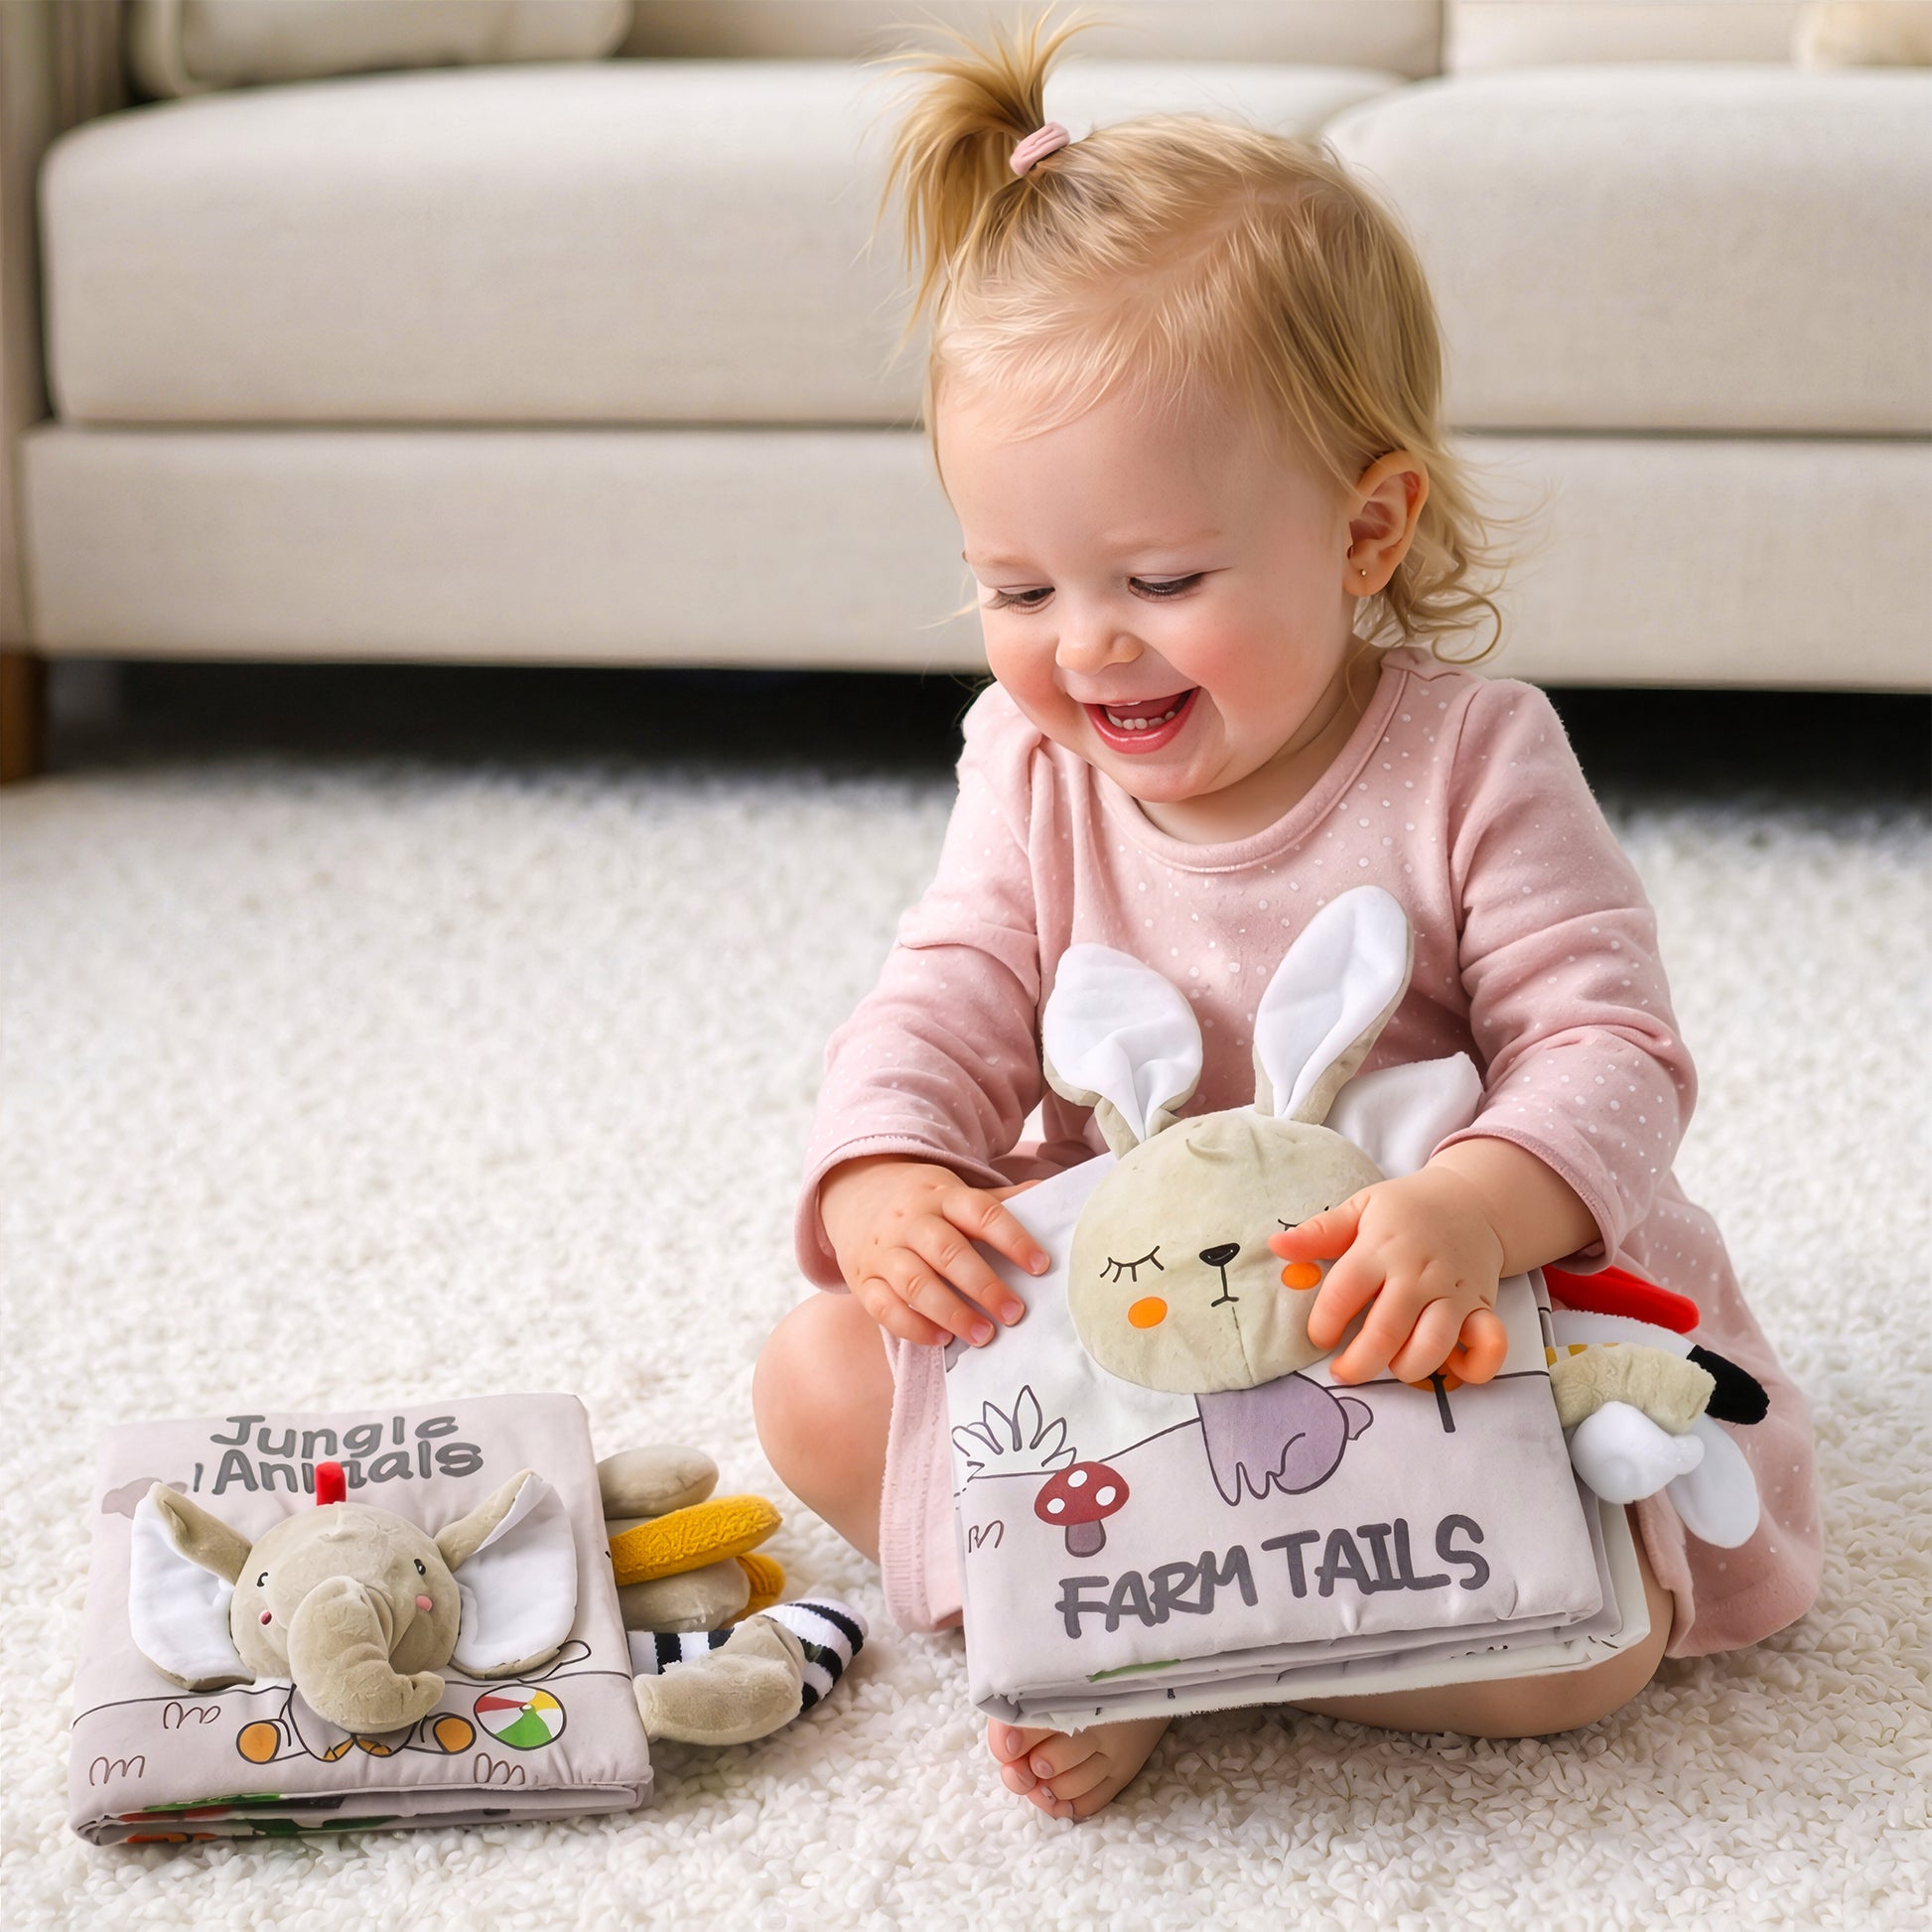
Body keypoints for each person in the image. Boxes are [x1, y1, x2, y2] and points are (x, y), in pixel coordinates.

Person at [753, 18, 1819, 1821]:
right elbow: (947, 983)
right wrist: (880, 1174)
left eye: (1159, 581)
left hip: (1410, 1310)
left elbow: (1609, 1047)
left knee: (1593, 1645)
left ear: (1365, 528)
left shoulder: (1473, 754)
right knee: (812, 1384)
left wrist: (1474, 1210)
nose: (1082, 643)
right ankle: (1142, 1616)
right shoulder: (1028, 760)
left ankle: (1197, 1648)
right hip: (1143, 1313)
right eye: (1015, 584)